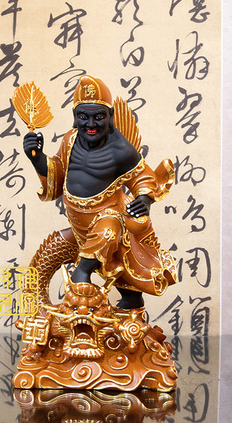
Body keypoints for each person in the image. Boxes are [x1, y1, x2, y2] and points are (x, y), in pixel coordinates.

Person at [23, 75, 177, 310]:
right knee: (123, 272)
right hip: (77, 220)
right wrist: (37, 158)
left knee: (108, 233)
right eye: (84, 117)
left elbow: (143, 177)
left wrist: (144, 199)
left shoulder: (120, 149)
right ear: (75, 117)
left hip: (108, 215)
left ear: (110, 117)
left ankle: (81, 273)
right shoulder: (70, 140)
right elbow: (58, 173)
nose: (91, 124)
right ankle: (131, 303)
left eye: (99, 117)